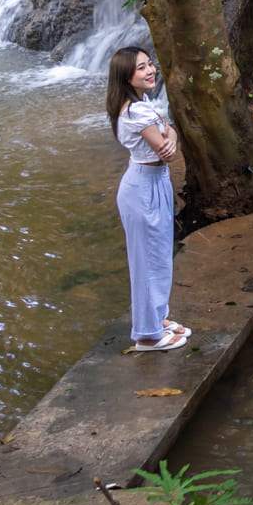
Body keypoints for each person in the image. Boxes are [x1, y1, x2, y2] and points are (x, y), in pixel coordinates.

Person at [106, 46, 190, 352]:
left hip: (153, 183)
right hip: (142, 187)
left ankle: (158, 318)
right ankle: (147, 336)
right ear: (126, 76)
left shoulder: (141, 104)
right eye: (141, 68)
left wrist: (170, 134)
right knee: (146, 262)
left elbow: (173, 135)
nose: (150, 70)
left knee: (158, 256)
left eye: (150, 64)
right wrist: (169, 135)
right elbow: (166, 150)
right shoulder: (137, 111)